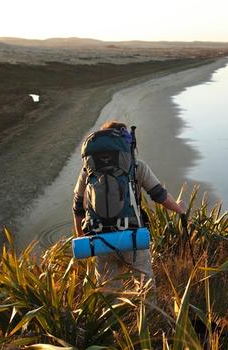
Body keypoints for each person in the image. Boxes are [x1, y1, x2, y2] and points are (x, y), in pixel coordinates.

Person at [72, 120, 186, 288]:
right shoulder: (138, 167)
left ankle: (114, 313)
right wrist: (179, 208)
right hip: (132, 236)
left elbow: (77, 207)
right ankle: (148, 313)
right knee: (145, 287)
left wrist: (82, 237)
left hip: (100, 237)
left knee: (108, 291)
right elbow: (160, 196)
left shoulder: (88, 171)